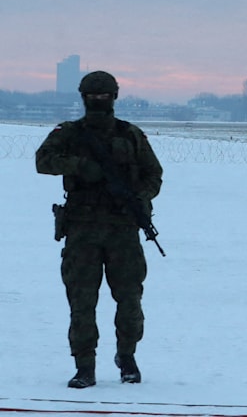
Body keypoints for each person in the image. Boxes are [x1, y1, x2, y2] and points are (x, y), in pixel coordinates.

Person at [35, 71, 163, 389]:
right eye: (93, 97)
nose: (99, 102)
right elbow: (43, 160)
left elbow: (154, 175)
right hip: (82, 230)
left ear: (114, 97)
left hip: (122, 230)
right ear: (83, 98)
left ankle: (127, 357)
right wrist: (79, 166)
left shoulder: (130, 134)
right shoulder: (69, 133)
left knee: (130, 299)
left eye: (104, 96)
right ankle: (84, 365)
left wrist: (136, 198)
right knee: (82, 301)